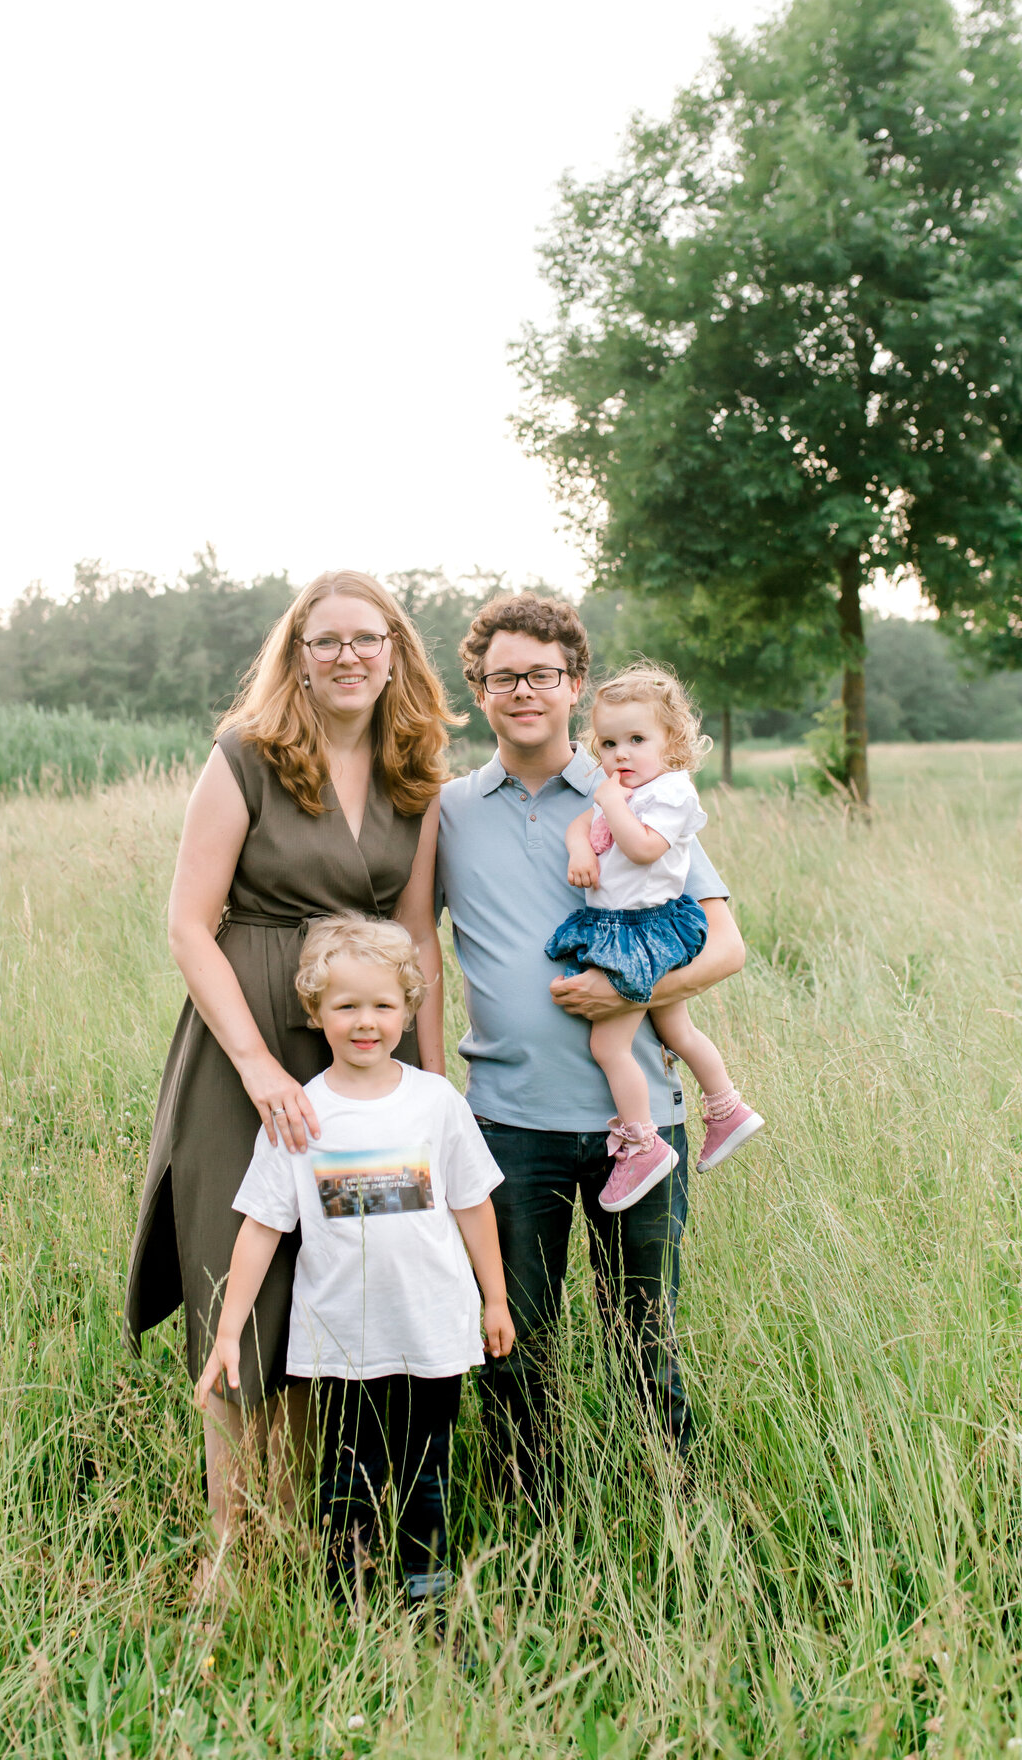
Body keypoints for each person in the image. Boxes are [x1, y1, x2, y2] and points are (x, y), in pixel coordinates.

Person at [124, 571, 457, 1598]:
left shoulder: (418, 774)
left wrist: (429, 1092)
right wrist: (261, 1064)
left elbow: (416, 942)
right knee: (245, 1270)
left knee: (343, 1267)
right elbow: (189, 924)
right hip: (250, 1039)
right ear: (298, 656)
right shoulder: (247, 760)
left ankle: (317, 1529)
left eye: (368, 639)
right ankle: (236, 1544)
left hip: (363, 1045)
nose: (348, 656)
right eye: (327, 641)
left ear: (395, 652)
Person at [435, 593, 746, 1491]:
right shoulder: (449, 812)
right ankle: (534, 1538)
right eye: (503, 677)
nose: (523, 690)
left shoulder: (639, 796)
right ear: (480, 692)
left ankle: (679, 1527)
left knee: (644, 1343)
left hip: (635, 1126)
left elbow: (726, 946)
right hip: (507, 1122)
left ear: (574, 683)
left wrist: (625, 988)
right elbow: (417, 944)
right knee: (514, 1349)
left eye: (542, 674)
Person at [195, 914, 514, 1607]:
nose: (365, 1022)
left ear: (408, 1008)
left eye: (382, 1005)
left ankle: (428, 1602)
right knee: (350, 1477)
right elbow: (260, 1228)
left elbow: (472, 1204)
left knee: (428, 1470)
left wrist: (495, 1299)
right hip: (344, 1342)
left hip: (432, 1332)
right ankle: (352, 1604)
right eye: (346, 1006)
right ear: (316, 1012)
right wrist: (228, 1331)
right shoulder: (302, 1114)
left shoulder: (435, 1102)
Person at [547, 663, 764, 1213]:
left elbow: (644, 849)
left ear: (673, 744)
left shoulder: (670, 792)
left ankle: (640, 1146)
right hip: (625, 924)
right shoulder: (626, 789)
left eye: (637, 740)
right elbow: (583, 826)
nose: (621, 754)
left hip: (641, 929)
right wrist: (579, 849)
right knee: (674, 1027)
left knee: (608, 1043)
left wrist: (612, 802)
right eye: (610, 742)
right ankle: (726, 1108)